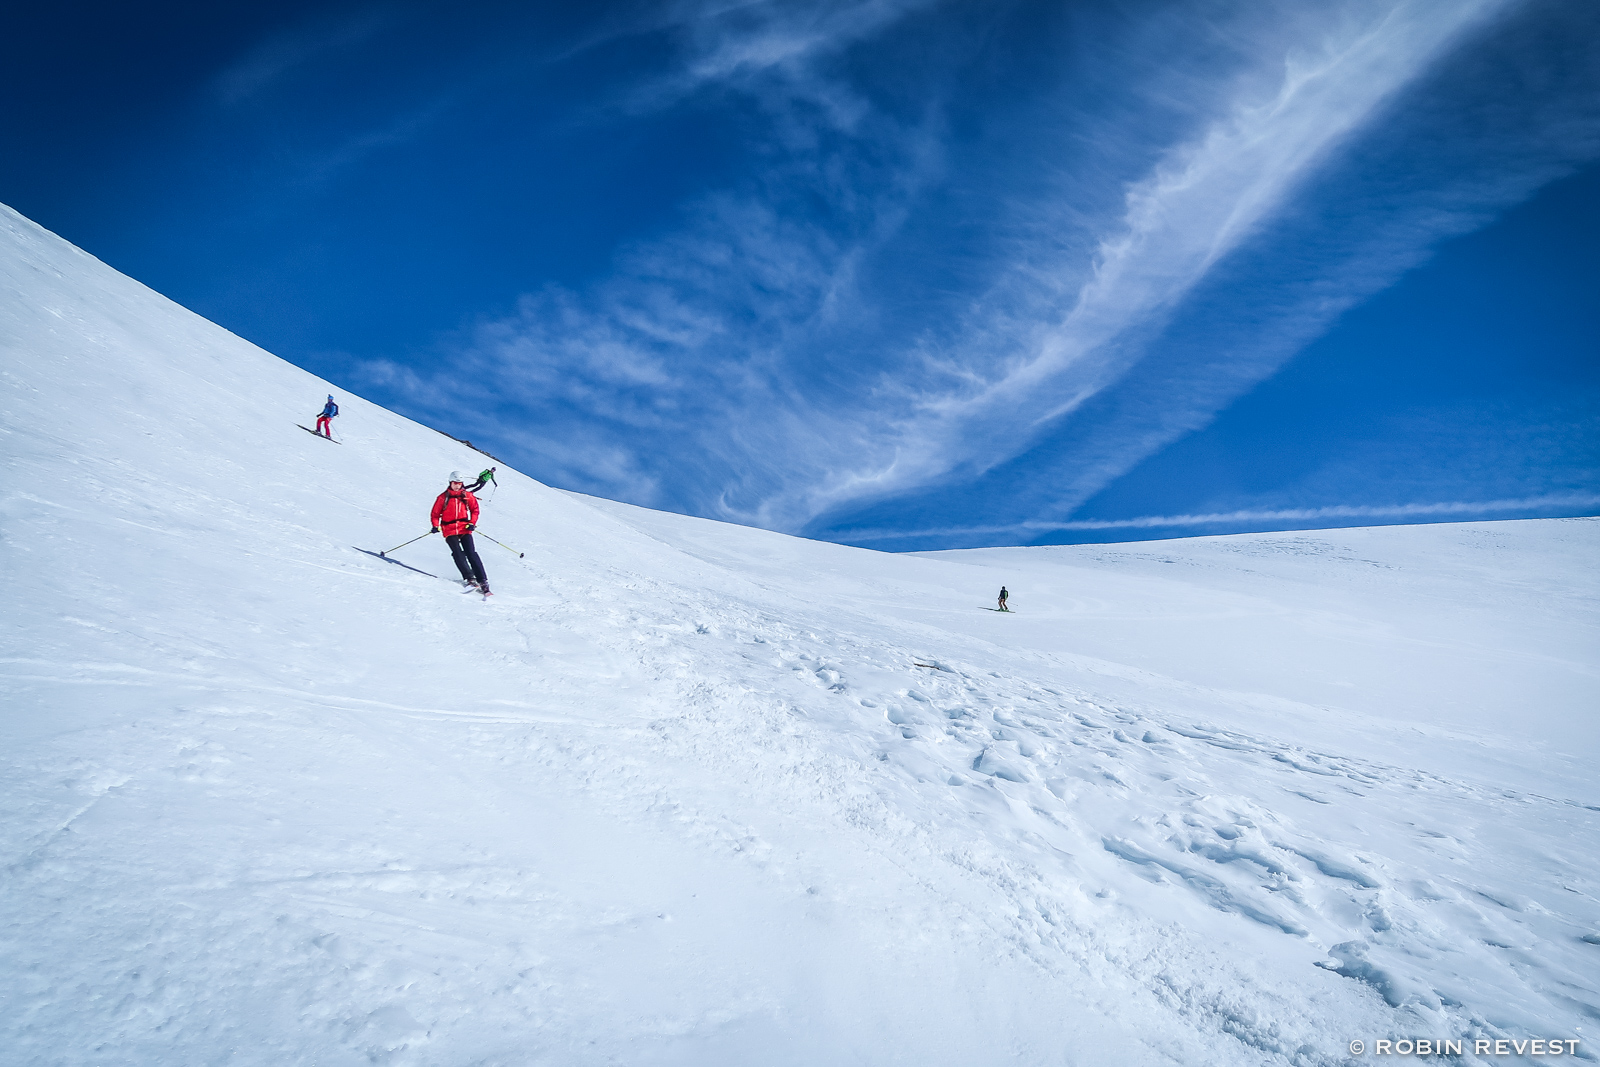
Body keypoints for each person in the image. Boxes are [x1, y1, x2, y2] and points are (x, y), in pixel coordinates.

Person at [430, 472, 490, 595]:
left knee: (471, 553)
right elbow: (435, 514)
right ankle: (470, 578)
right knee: (457, 552)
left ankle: (483, 580)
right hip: (449, 529)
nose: (457, 486)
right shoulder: (443, 497)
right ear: (450, 483)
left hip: (464, 527)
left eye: (459, 484)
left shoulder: (467, 495)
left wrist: (472, 523)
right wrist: (435, 525)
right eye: (455, 483)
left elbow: (475, 510)